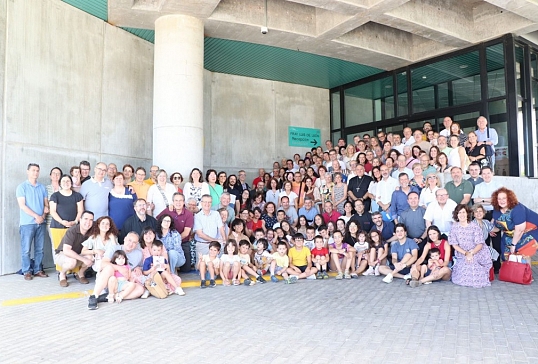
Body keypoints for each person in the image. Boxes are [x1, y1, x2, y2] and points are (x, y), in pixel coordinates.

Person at [87, 231, 145, 309]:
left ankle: (112, 296)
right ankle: (94, 296)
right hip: (108, 281)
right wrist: (118, 268)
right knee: (109, 267)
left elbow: (140, 266)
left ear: (137, 244)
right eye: (129, 240)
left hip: (123, 284)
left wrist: (138, 268)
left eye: (134, 242)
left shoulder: (138, 254)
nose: (131, 244)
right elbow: (103, 264)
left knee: (140, 289)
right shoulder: (114, 248)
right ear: (125, 239)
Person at [17, 163, 49, 280]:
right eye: (33, 170)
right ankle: (26, 271)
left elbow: (46, 205)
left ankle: (38, 270)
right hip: (27, 223)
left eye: (37, 170)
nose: (35, 173)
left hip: (41, 222)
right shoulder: (22, 187)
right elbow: (22, 205)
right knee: (26, 249)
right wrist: (36, 216)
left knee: (39, 249)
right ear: (28, 171)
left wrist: (43, 215)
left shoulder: (42, 188)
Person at [449, 204, 492, 287]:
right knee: (465, 268)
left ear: (467, 214)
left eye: (464, 212)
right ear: (456, 215)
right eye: (459, 212)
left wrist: (471, 253)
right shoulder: (454, 227)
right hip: (462, 253)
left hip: (477, 252)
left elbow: (480, 244)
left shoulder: (474, 227)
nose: (462, 215)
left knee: (472, 264)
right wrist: (466, 253)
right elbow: (454, 245)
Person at [491, 187, 538, 257]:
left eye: (504, 198)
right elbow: (498, 224)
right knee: (506, 255)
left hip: (530, 231)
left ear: (509, 199)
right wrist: (490, 229)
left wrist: (513, 245)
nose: (502, 201)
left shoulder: (517, 209)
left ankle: (526, 268)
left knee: (522, 255)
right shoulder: (497, 209)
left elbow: (520, 230)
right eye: (499, 199)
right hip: (512, 234)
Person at [54, 210, 95, 287]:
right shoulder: (72, 230)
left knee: (91, 257)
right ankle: (62, 274)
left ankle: (80, 273)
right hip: (62, 254)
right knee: (72, 261)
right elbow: (66, 250)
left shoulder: (92, 230)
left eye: (91, 220)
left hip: (78, 254)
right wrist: (84, 259)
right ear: (80, 219)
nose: (88, 222)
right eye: (86, 219)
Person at [157, 192, 194, 273]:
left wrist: (174, 239)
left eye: (180, 200)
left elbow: (186, 232)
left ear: (184, 202)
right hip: (165, 242)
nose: (178, 202)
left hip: (183, 241)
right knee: (170, 254)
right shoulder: (168, 210)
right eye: (176, 200)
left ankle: (172, 266)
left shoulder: (188, 214)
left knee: (186, 269)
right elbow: (158, 220)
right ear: (173, 202)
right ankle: (172, 272)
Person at [49, 174, 84, 256]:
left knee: (74, 249)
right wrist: (62, 222)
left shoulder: (77, 196)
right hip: (57, 227)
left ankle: (74, 268)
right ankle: (62, 269)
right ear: (60, 183)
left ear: (71, 183)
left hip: (74, 227)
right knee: (60, 251)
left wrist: (75, 222)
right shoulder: (55, 196)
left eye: (68, 181)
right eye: (63, 181)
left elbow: (80, 210)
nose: (66, 183)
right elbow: (52, 211)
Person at [194, 194, 226, 261]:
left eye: (209, 202)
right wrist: (214, 240)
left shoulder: (216, 214)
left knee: (218, 265)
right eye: (205, 202)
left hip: (215, 245)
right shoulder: (197, 216)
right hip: (202, 245)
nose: (207, 204)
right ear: (201, 203)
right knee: (201, 267)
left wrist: (224, 239)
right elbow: (200, 234)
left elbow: (221, 228)